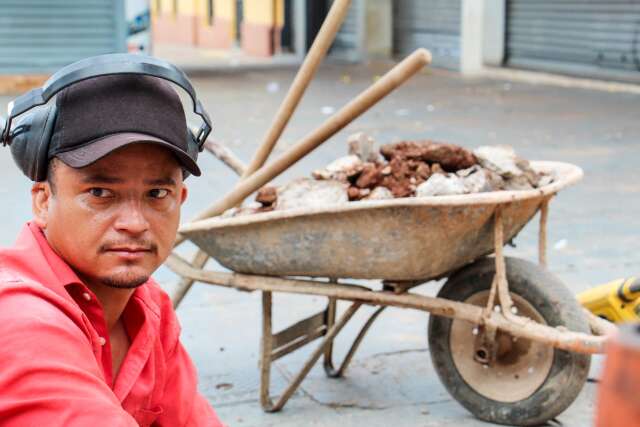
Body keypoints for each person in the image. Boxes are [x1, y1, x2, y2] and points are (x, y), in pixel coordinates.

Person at [0, 62, 224, 426]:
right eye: (100, 193)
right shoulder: (17, 320)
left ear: (180, 199)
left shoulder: (148, 307)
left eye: (156, 193)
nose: (135, 224)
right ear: (43, 200)